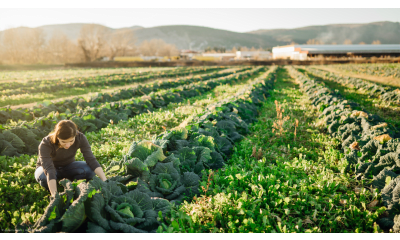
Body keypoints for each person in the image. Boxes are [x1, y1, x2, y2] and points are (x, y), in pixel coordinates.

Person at [35, 120, 107, 196]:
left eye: (71, 141)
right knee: (44, 177)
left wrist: (105, 181)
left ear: (75, 135)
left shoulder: (80, 137)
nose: (67, 145)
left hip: (68, 166)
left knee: (89, 171)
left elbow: (91, 159)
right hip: (46, 169)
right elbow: (49, 169)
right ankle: (55, 185)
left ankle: (70, 183)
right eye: (63, 142)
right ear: (57, 137)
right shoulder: (46, 143)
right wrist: (54, 196)